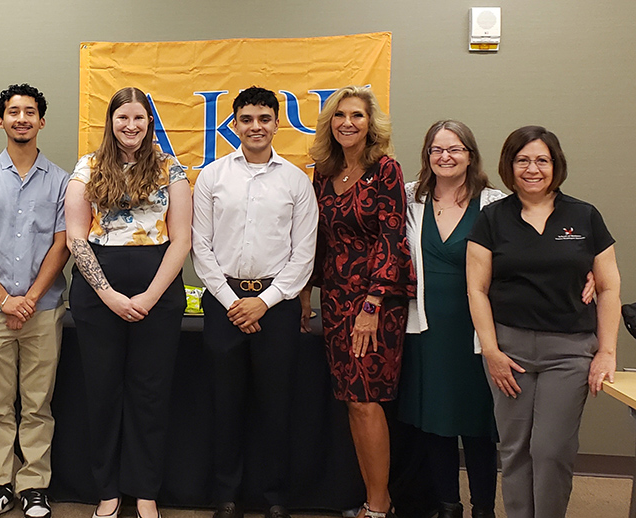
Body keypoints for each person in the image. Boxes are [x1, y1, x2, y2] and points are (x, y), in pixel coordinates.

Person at [466, 126, 620, 518]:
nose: (532, 168)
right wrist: (492, 351)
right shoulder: (491, 218)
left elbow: (608, 289)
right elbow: (477, 290)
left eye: (541, 160)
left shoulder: (584, 216)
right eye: (522, 160)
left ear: (556, 165)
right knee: (514, 448)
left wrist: (606, 352)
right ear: (509, 165)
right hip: (509, 351)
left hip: (569, 352)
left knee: (550, 449)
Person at [191, 86, 317, 518]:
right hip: (223, 302)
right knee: (225, 404)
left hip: (277, 308)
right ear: (234, 124)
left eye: (264, 118)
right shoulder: (212, 176)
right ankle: (227, 496)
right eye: (247, 119)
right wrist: (231, 302)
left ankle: (274, 497)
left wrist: (264, 302)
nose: (256, 126)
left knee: (275, 406)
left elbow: (304, 255)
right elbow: (200, 248)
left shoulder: (296, 181)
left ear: (277, 123)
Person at [66, 87, 191, 518]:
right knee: (102, 393)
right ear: (110, 122)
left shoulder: (172, 169)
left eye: (139, 118)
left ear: (149, 122)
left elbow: (182, 240)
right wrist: (110, 296)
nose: (131, 126)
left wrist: (149, 297)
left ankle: (145, 491)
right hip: (97, 295)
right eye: (123, 119)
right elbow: (76, 237)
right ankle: (107, 490)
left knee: (150, 395)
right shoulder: (88, 166)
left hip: (158, 292)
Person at [302, 85, 414, 518]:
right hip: (335, 297)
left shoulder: (385, 169)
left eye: (357, 116)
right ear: (330, 123)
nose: (348, 122)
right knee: (352, 399)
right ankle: (373, 499)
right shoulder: (323, 172)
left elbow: (392, 238)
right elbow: (319, 241)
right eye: (340, 115)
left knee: (366, 400)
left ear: (372, 124)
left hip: (376, 302)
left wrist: (371, 306)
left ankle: (379, 505)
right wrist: (305, 295)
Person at [0, 84, 70, 518]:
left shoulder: (62, 181)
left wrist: (31, 298)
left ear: (42, 121)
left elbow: (62, 245)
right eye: (12, 112)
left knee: (39, 403)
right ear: (1, 120)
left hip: (43, 310)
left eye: (29, 112)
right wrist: (5, 298)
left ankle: (35, 486)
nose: (21, 118)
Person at [399, 120, 505, 518]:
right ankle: (447, 505)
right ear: (427, 156)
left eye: (454, 149)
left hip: (477, 331)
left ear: (470, 155)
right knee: (435, 422)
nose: (445, 157)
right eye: (437, 150)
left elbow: (529, 247)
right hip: (427, 329)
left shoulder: (495, 204)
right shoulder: (410, 198)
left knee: (479, 424)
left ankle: (483, 509)